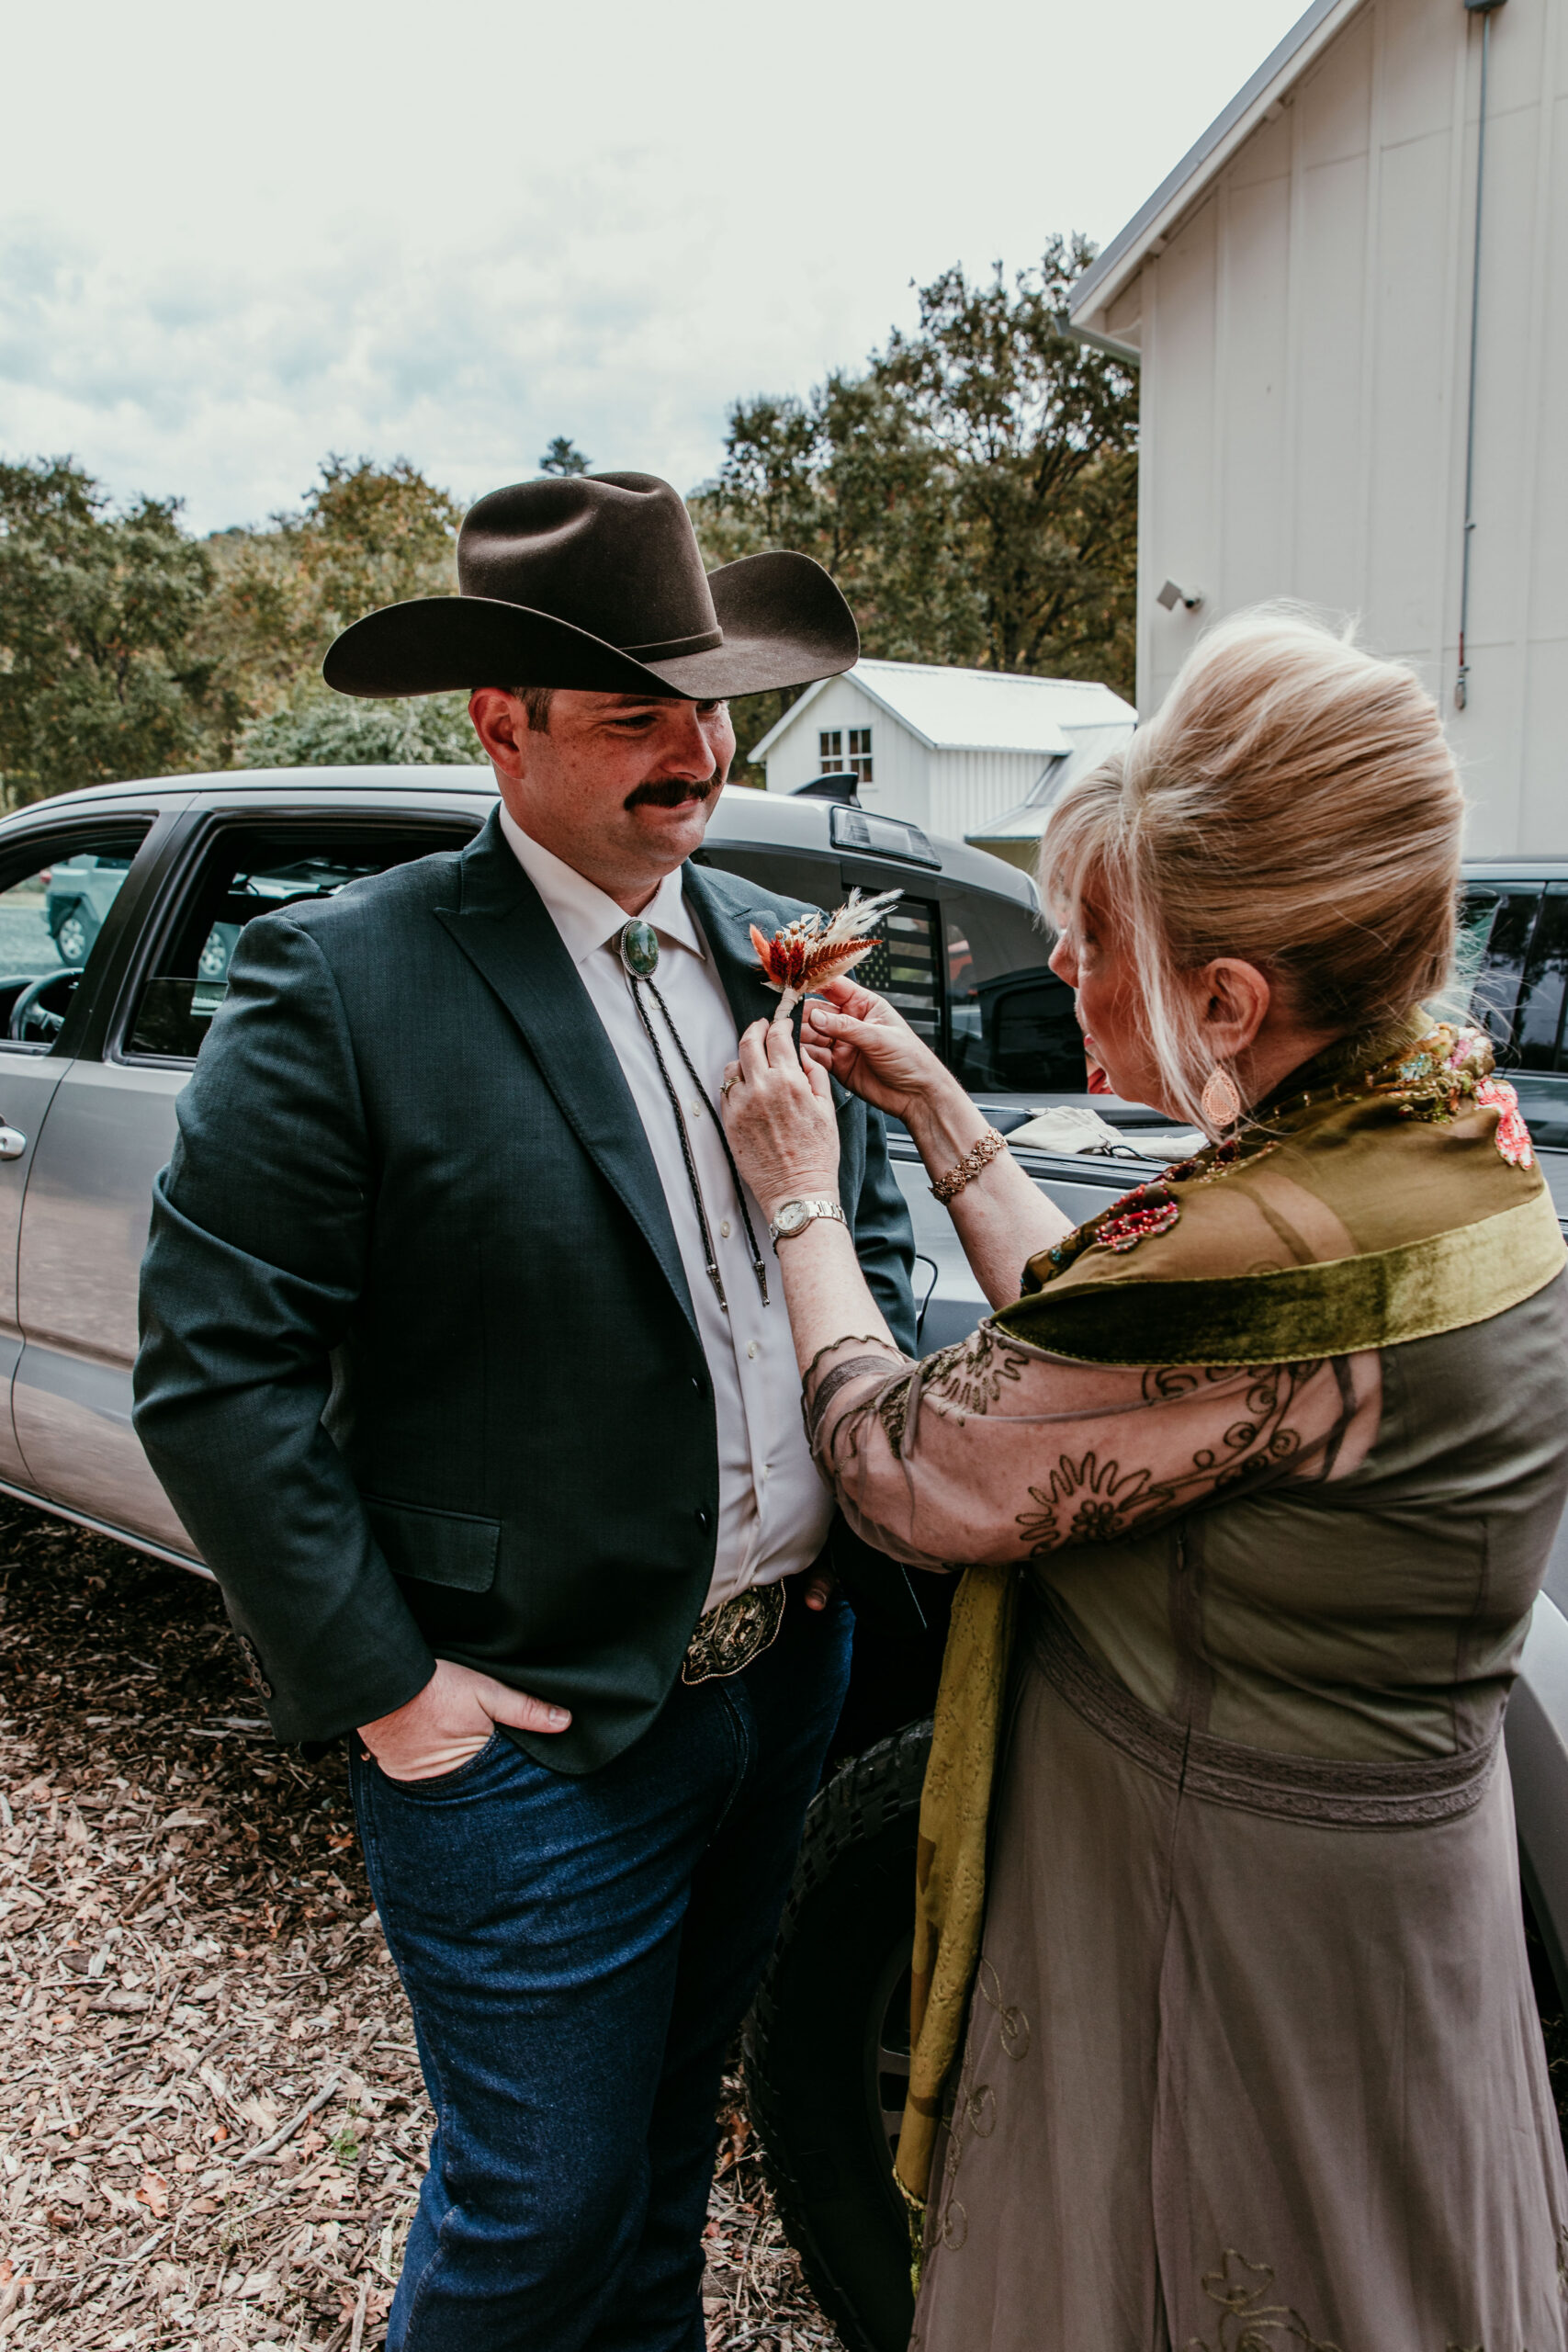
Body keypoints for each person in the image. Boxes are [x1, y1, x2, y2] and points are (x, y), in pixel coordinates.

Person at [719, 605, 1568, 2348]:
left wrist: (801, 1191)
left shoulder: (1266, 1254)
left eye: (1095, 943)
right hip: (1394, 1895)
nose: (1067, 983)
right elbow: (1135, 1387)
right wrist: (947, 1119)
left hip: (1239, 1933)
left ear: (1229, 997)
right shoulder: (1438, 1131)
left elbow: (918, 1463)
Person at [131, 470, 917, 2352]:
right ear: (503, 721)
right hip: (528, 1732)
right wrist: (400, 1697)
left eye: (709, 702)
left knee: (657, 2168)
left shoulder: (759, 940)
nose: (695, 749)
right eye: (636, 710)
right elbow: (212, 1371)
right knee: (533, 2210)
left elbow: (855, 1210)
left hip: (777, 1687)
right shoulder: (344, 977)